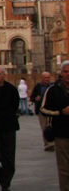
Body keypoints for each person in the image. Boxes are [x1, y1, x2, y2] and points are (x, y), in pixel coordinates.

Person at [42, 60, 69, 189]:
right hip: (61, 134)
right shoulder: (53, 90)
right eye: (65, 71)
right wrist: (60, 112)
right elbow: (43, 109)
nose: (68, 74)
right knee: (64, 168)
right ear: (61, 73)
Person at [30, 71, 55, 151]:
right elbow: (32, 97)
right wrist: (35, 98)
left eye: (48, 77)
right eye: (45, 78)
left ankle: (52, 142)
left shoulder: (52, 86)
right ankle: (47, 144)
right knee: (44, 128)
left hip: (51, 110)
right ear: (42, 78)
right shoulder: (38, 87)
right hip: (41, 110)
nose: (47, 79)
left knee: (52, 127)